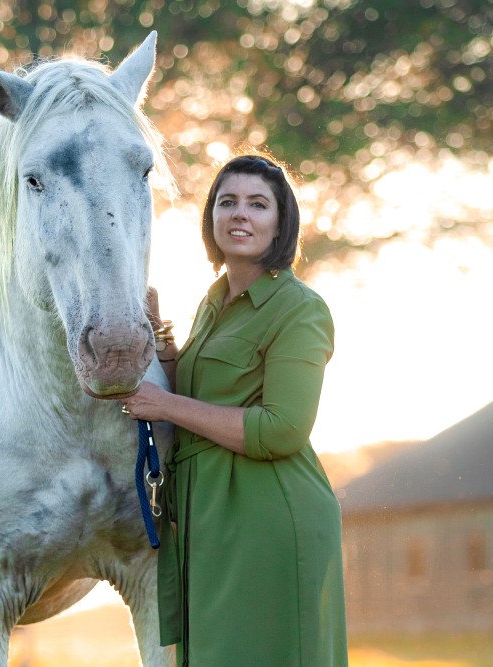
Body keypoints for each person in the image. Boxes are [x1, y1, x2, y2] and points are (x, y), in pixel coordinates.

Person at [122, 154, 348, 665]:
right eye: (228, 202)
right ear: (212, 219)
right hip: (206, 515)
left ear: (281, 223)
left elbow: (282, 429)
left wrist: (165, 405)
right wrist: (159, 335)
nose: (240, 213)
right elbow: (198, 393)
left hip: (268, 515)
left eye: (258, 204)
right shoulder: (213, 301)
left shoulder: (300, 309)